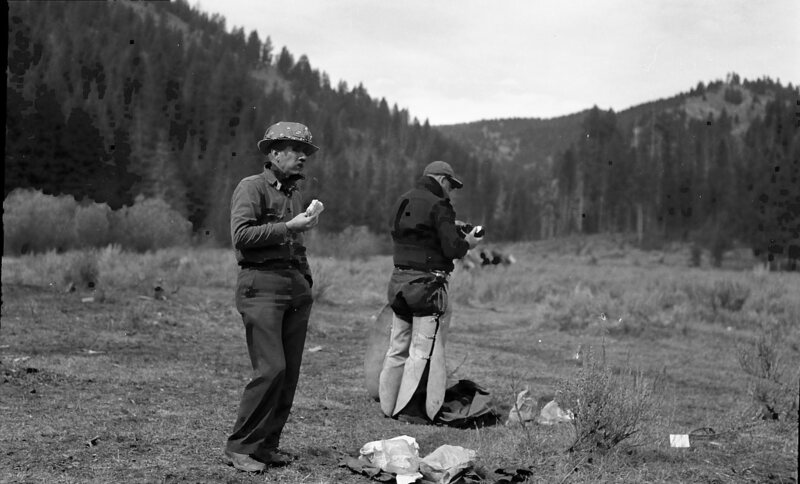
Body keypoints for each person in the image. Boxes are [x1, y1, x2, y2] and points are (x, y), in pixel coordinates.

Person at [224, 121, 321, 473]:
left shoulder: (293, 193)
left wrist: (305, 280)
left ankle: (266, 446)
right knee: (271, 368)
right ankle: (240, 446)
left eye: (305, 152)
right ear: (274, 153)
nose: (302, 158)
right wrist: (288, 227)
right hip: (260, 283)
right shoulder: (251, 188)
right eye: (296, 151)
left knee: (289, 372)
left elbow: (297, 243)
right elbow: (241, 236)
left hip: (293, 283)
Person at [378, 160, 483, 424]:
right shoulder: (440, 204)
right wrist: (467, 242)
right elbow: (452, 249)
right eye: (450, 184)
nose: (451, 191)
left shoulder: (404, 199)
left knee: (397, 347)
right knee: (422, 350)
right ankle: (413, 412)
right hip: (427, 287)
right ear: (442, 179)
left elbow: (413, 232)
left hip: (398, 283)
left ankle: (388, 406)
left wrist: (449, 225)